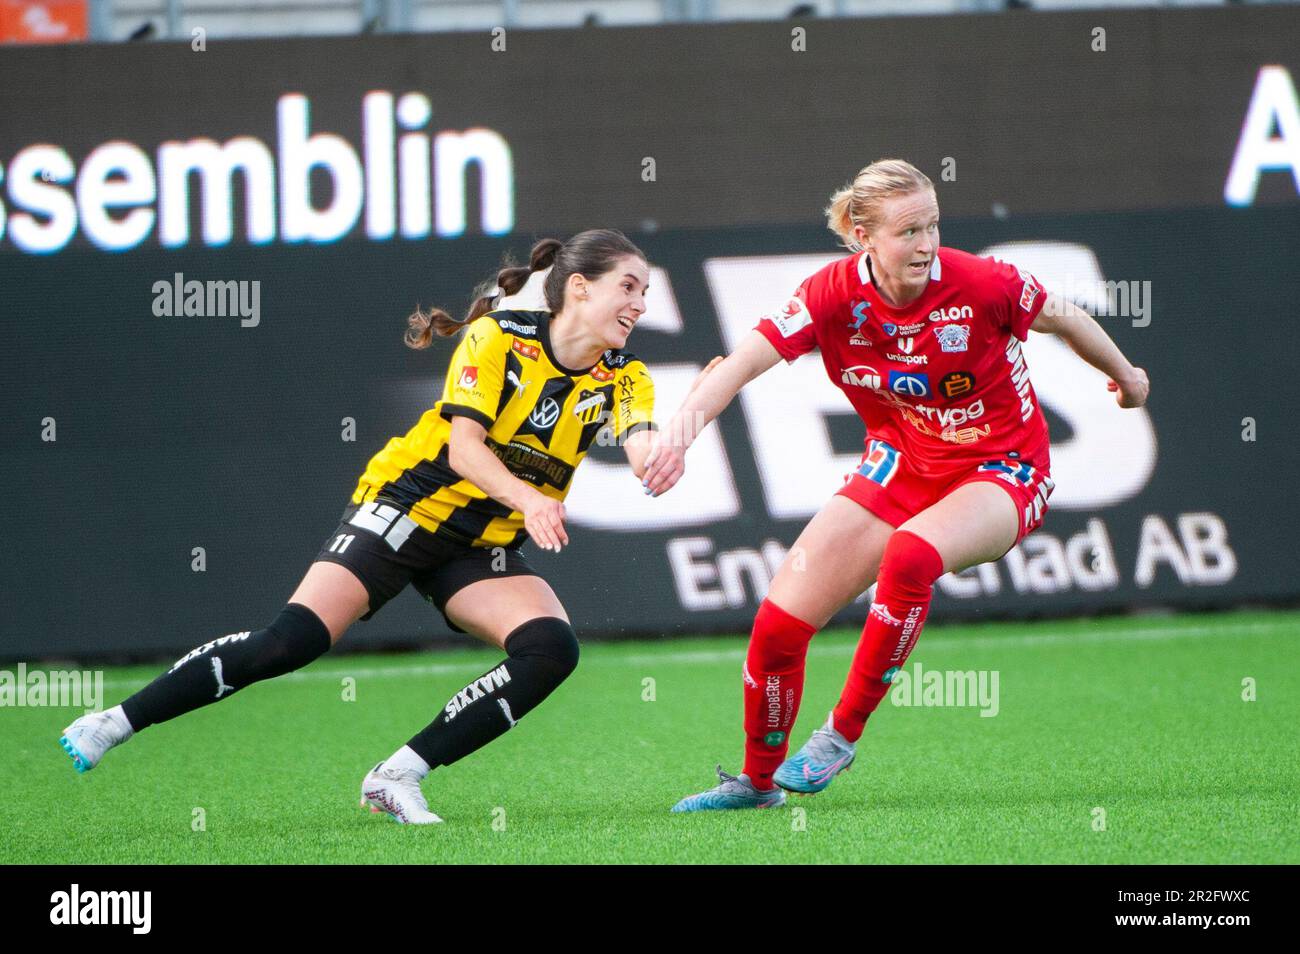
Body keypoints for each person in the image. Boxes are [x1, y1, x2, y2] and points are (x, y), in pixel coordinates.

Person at [60, 229, 666, 825]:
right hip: (405, 508)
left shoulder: (625, 375)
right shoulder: (498, 339)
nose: (641, 304)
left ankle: (397, 776)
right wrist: (530, 499)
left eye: (645, 291)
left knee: (550, 649)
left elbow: (643, 451)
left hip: (482, 546)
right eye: (629, 287)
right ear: (580, 288)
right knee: (290, 642)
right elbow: (464, 449)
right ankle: (111, 722)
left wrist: (670, 448)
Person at [645, 159, 1150, 811]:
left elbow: (1063, 317)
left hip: (1002, 469)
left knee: (910, 554)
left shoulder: (979, 282)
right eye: (909, 231)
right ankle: (756, 784)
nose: (928, 245)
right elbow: (741, 363)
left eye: (933, 225)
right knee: (776, 627)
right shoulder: (831, 295)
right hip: (901, 465)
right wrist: (676, 436)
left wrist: (1127, 375)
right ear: (862, 236)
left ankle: (838, 737)